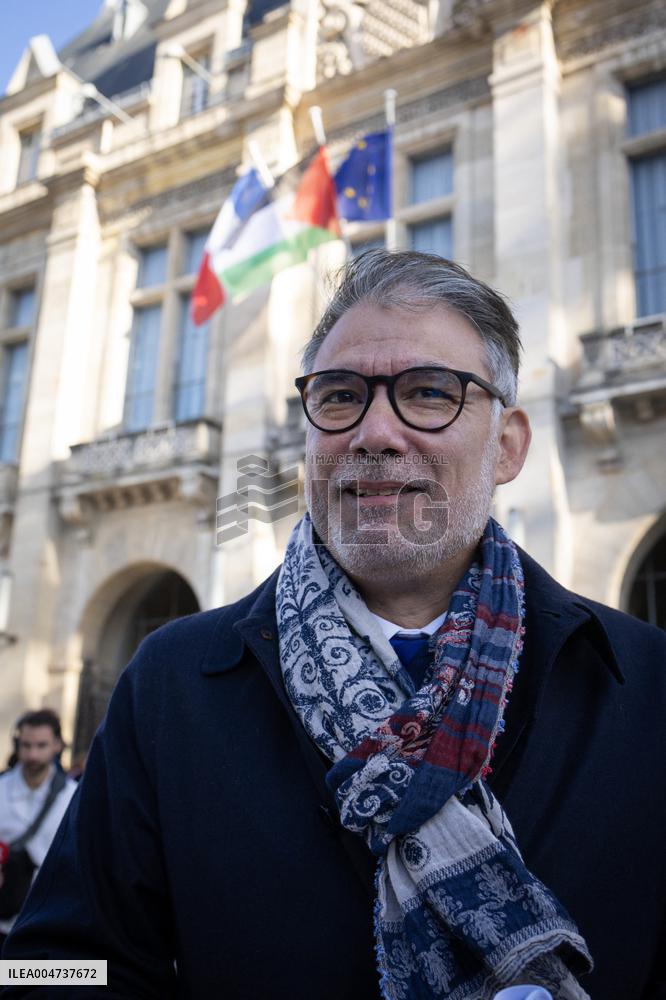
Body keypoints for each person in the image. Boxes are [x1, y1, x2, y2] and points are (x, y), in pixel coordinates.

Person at [2, 250, 665, 999]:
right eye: (342, 396)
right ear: (310, 439)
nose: (375, 433)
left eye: (428, 392)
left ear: (508, 443)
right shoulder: (169, 685)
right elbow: (43, 964)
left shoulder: (642, 684)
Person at [0, 709, 77, 953]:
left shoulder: (74, 798)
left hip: (52, 923)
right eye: (26, 745)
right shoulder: (1, 790)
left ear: (57, 745)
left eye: (41, 745)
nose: (33, 754)